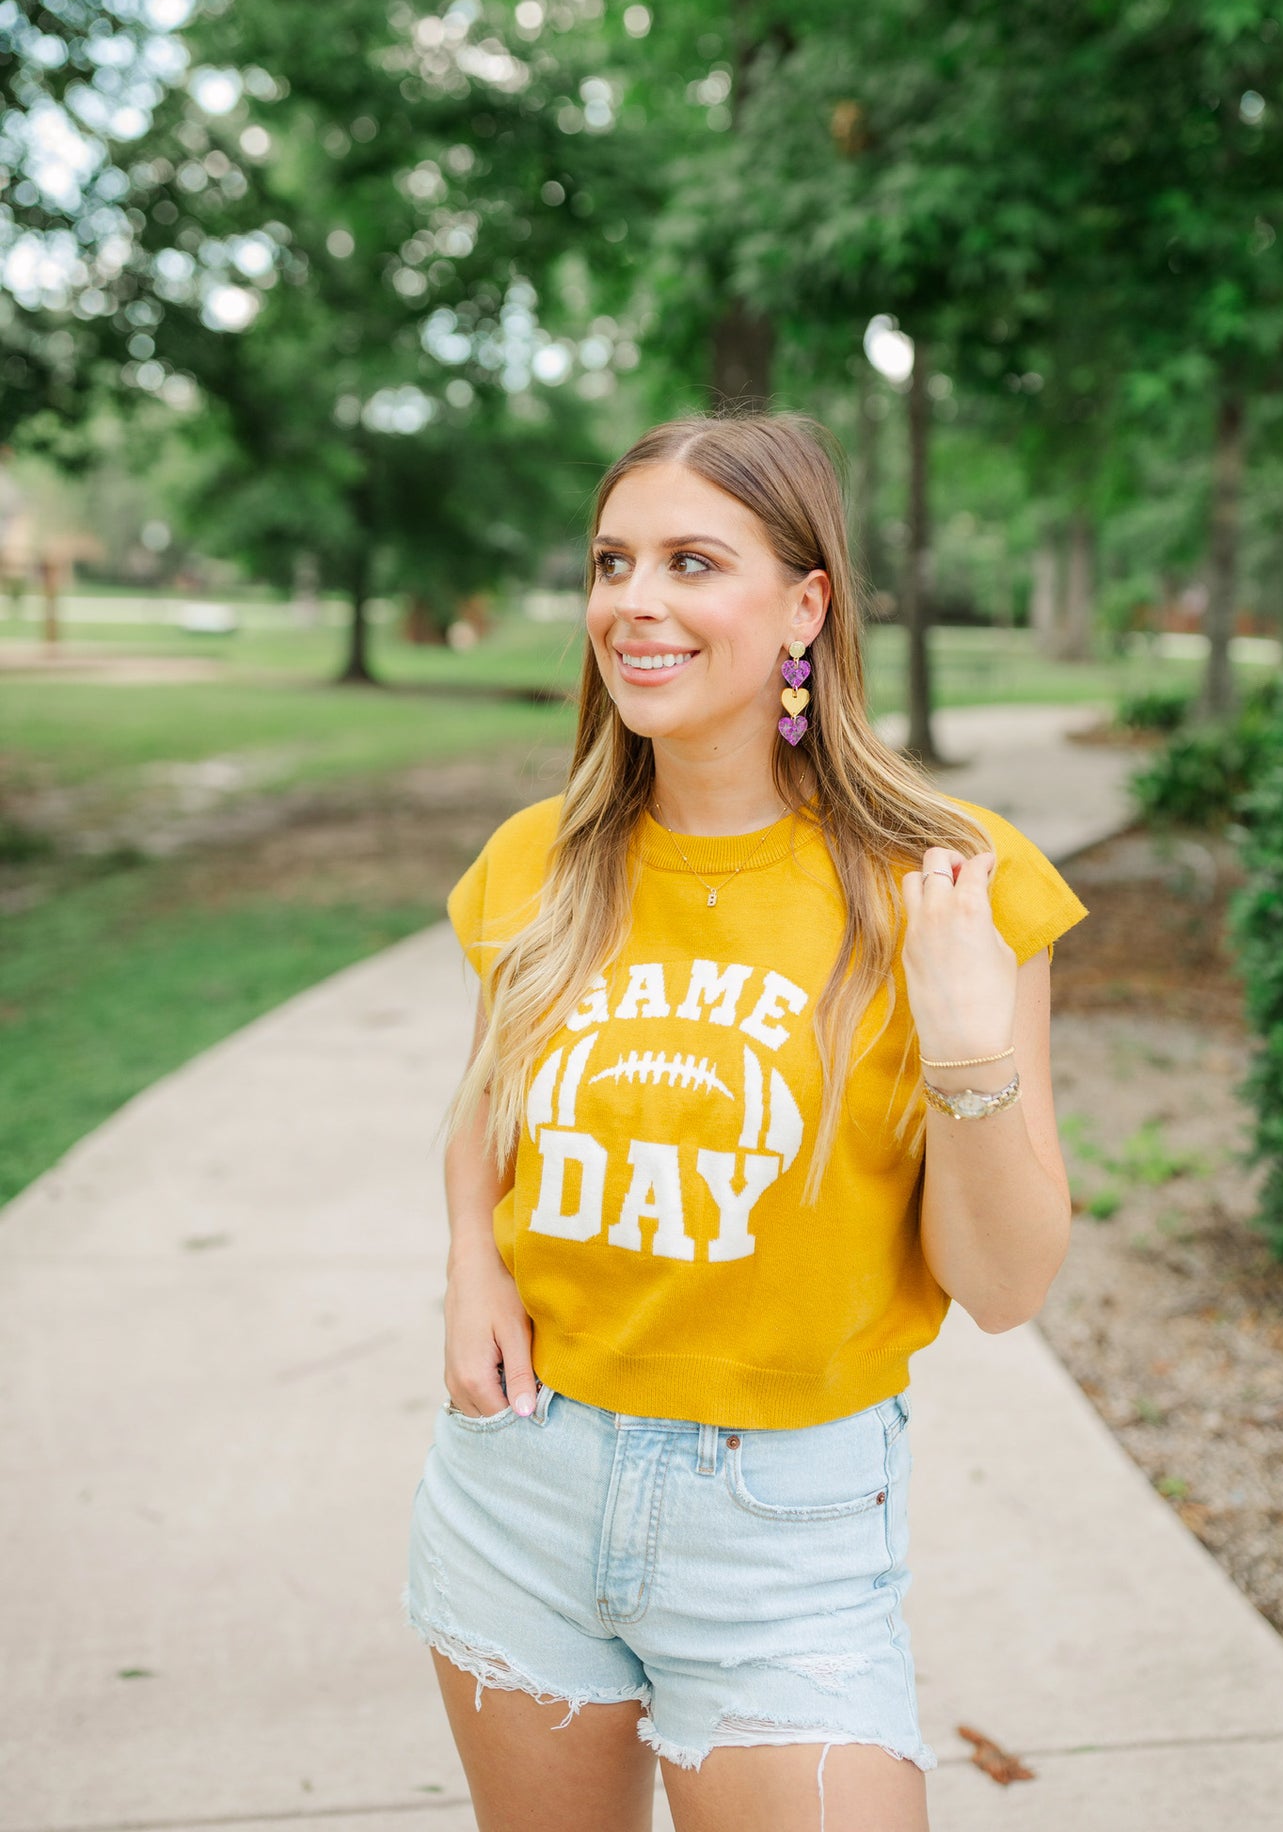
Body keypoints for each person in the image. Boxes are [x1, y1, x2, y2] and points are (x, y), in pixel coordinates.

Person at [405, 414, 1086, 1832]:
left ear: (804, 604)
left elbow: (1005, 1286)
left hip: (784, 1527)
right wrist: (472, 1263)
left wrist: (964, 1045)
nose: (631, 604)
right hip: (519, 1484)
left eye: (690, 562)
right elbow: (485, 1105)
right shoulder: (535, 863)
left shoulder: (950, 882)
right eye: (611, 561)